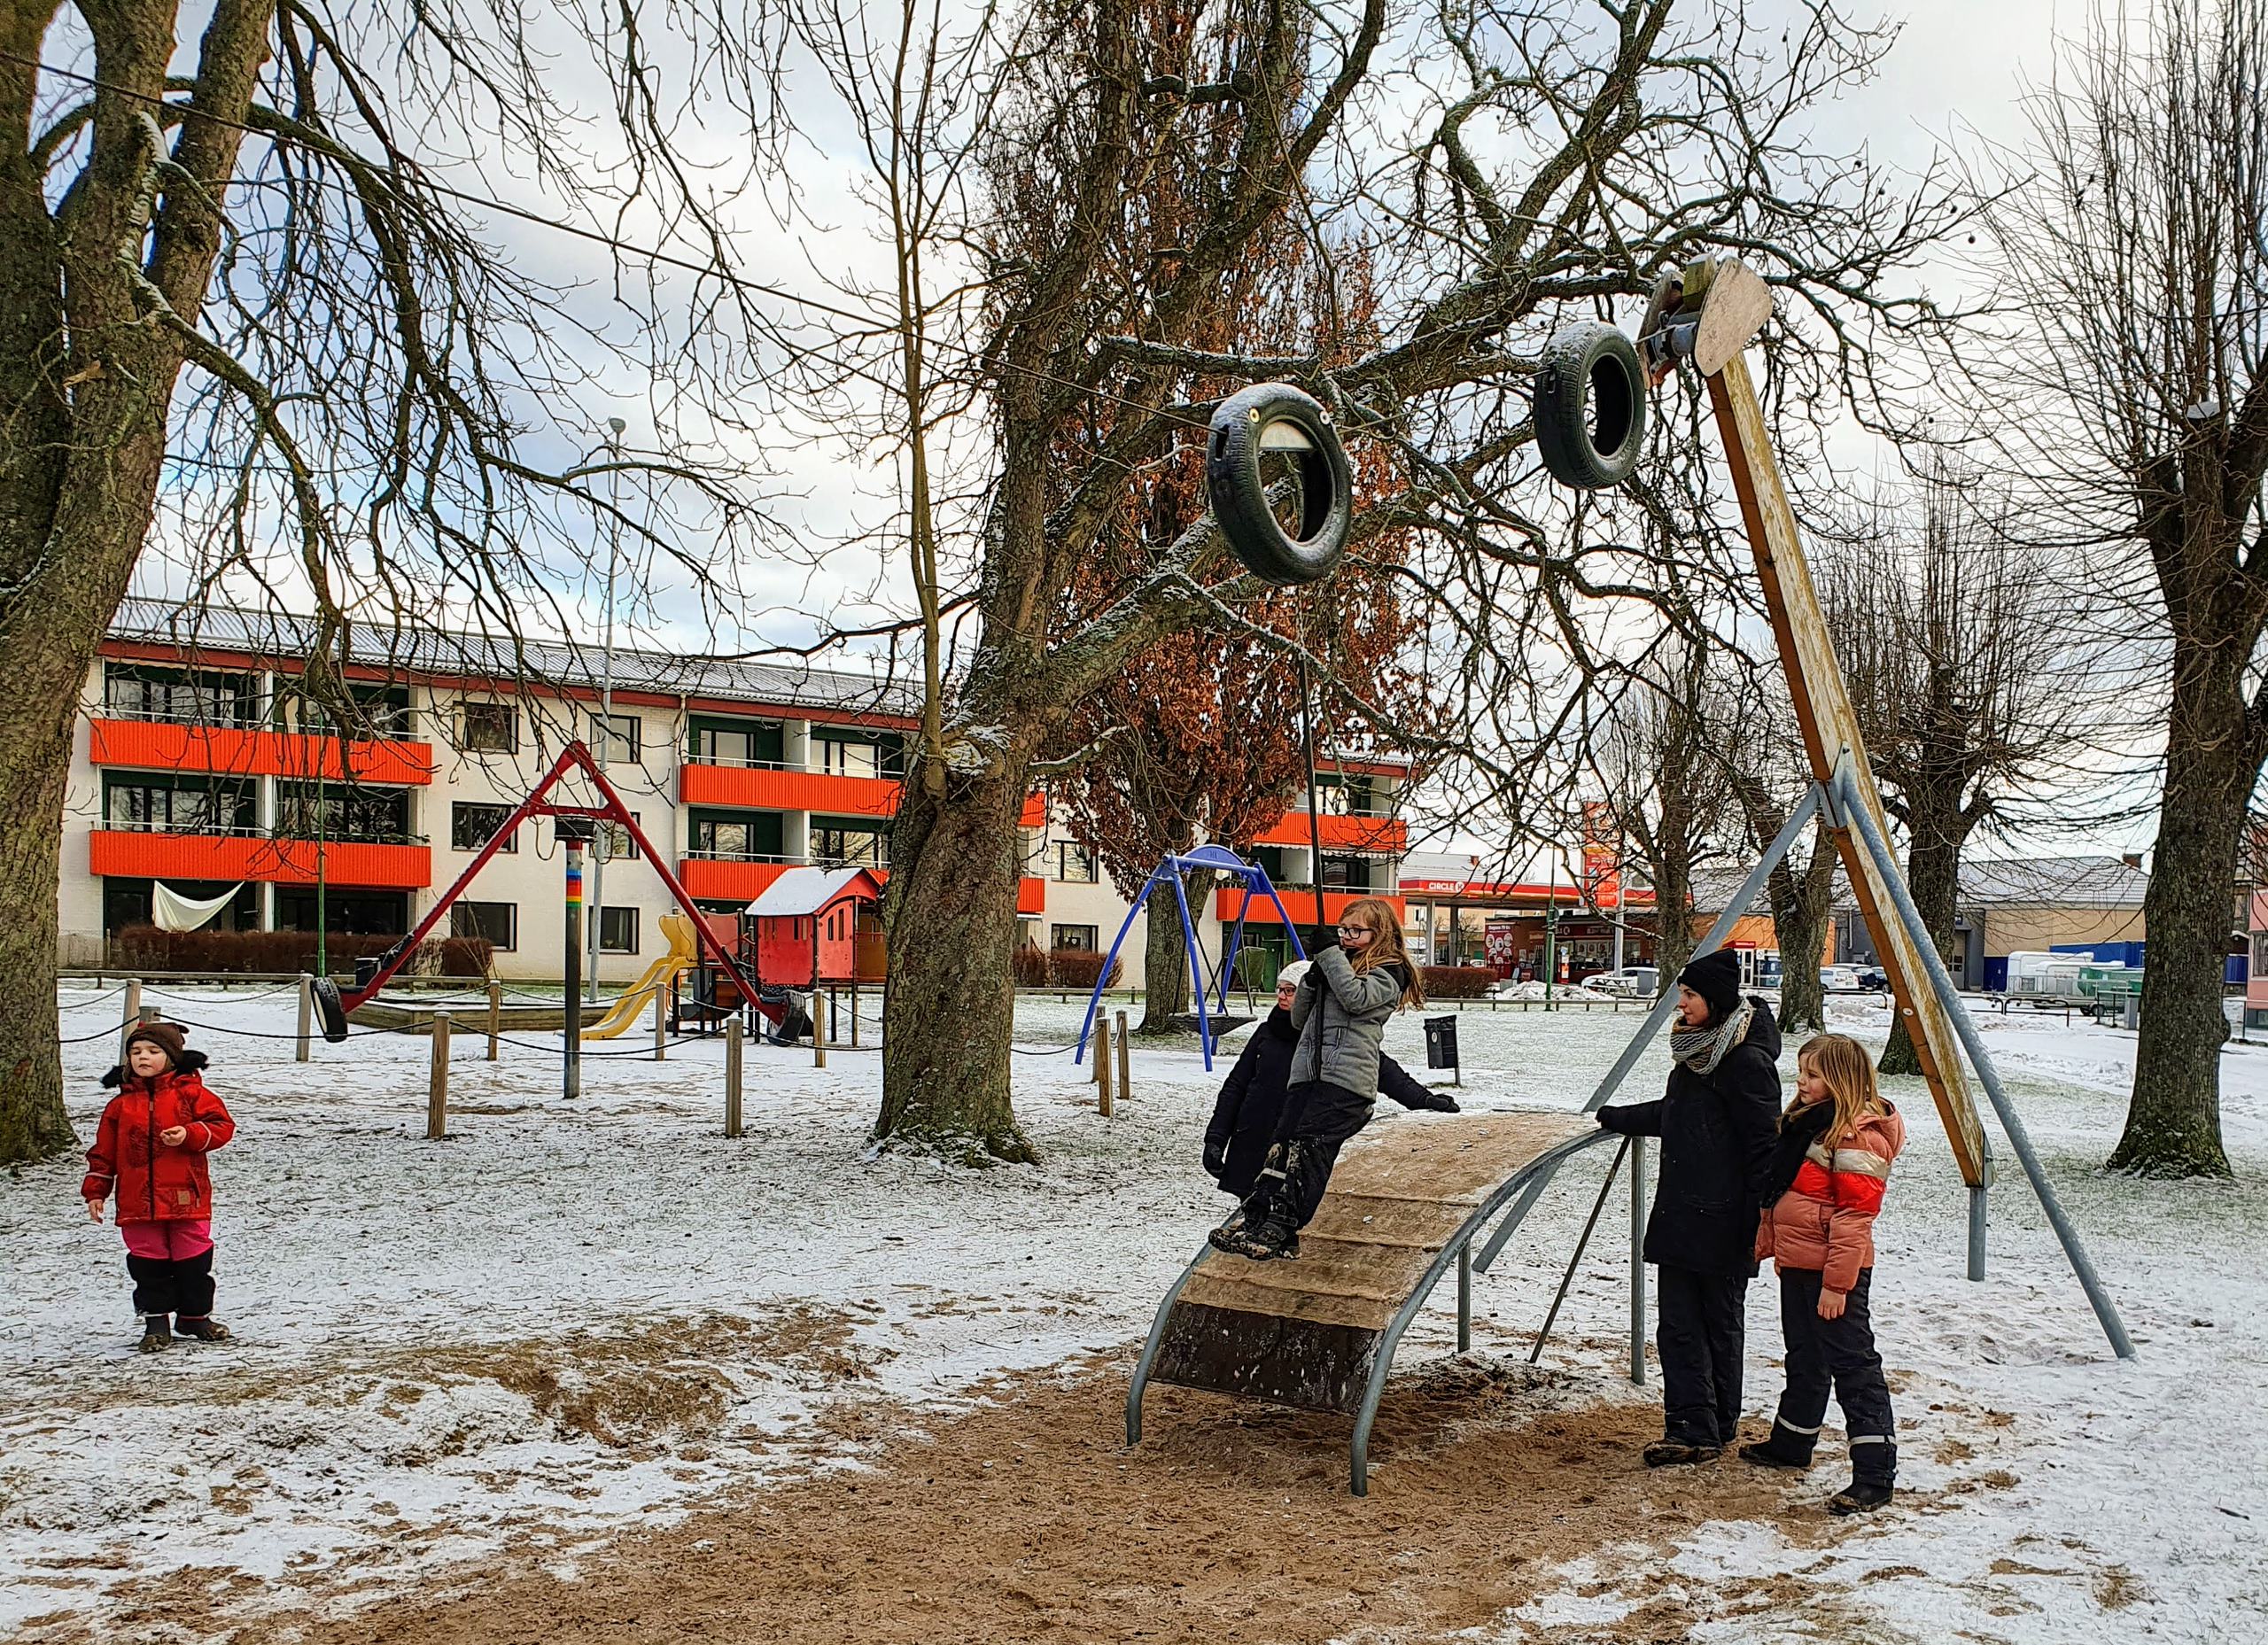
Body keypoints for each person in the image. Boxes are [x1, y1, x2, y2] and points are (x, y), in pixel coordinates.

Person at [1596, 948, 1781, 1464]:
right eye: (1682, 994)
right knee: (1678, 1325)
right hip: (1684, 1214)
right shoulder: (1696, 1057)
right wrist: (1618, 1117)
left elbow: (1764, 1144)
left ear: (1716, 1001)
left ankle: (1708, 1427)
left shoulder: (1746, 1063)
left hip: (1724, 1220)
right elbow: (1677, 1114)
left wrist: (1761, 1216)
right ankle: (1694, 1425)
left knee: (1717, 1324)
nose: (1681, 1004)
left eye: (1690, 995)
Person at [1743, 1032, 1905, 1514]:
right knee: (1805, 1356)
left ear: (1840, 1080)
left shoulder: (1856, 1136)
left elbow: (1856, 1218)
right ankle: (1792, 1441)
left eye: (1813, 1074)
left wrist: (1837, 1284)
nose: (1802, 1081)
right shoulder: (1808, 1127)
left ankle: (1875, 1473)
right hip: (1800, 1261)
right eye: (1802, 1071)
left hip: (1834, 1273)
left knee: (1853, 1364)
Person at [1212, 898, 1425, 1261]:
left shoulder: (1390, 971)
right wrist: (1312, 978)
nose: (1346, 937)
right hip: (1308, 1075)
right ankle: (1256, 1217)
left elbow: (1356, 999)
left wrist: (1330, 958)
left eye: (1355, 931)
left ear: (1381, 933)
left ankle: (1283, 1225)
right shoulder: (1337, 965)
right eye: (1343, 930)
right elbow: (1299, 1021)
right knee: (1279, 1149)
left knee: (1308, 1152)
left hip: (1344, 1082)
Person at [1204, 959, 1458, 1199]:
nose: (1281, 996)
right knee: (1251, 1215)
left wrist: (1424, 1099)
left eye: (1290, 990)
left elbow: (1385, 1072)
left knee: (1289, 1214)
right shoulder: (1266, 1034)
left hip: (1298, 1140)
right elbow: (1235, 1087)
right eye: (1279, 989)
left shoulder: (1333, 1038)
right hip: (1253, 1139)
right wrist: (1216, 1138)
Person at [81, 1022, 237, 1353]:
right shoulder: (119, 1107)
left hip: (186, 1195)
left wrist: (189, 1134)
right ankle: (156, 1322)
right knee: (148, 1262)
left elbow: (222, 1127)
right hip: (137, 1201)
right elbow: (103, 1153)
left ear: (172, 1058)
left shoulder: (192, 1094)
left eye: (153, 1051)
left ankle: (195, 1318)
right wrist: (96, 1191)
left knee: (192, 1258)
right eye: (136, 1052)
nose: (143, 1057)